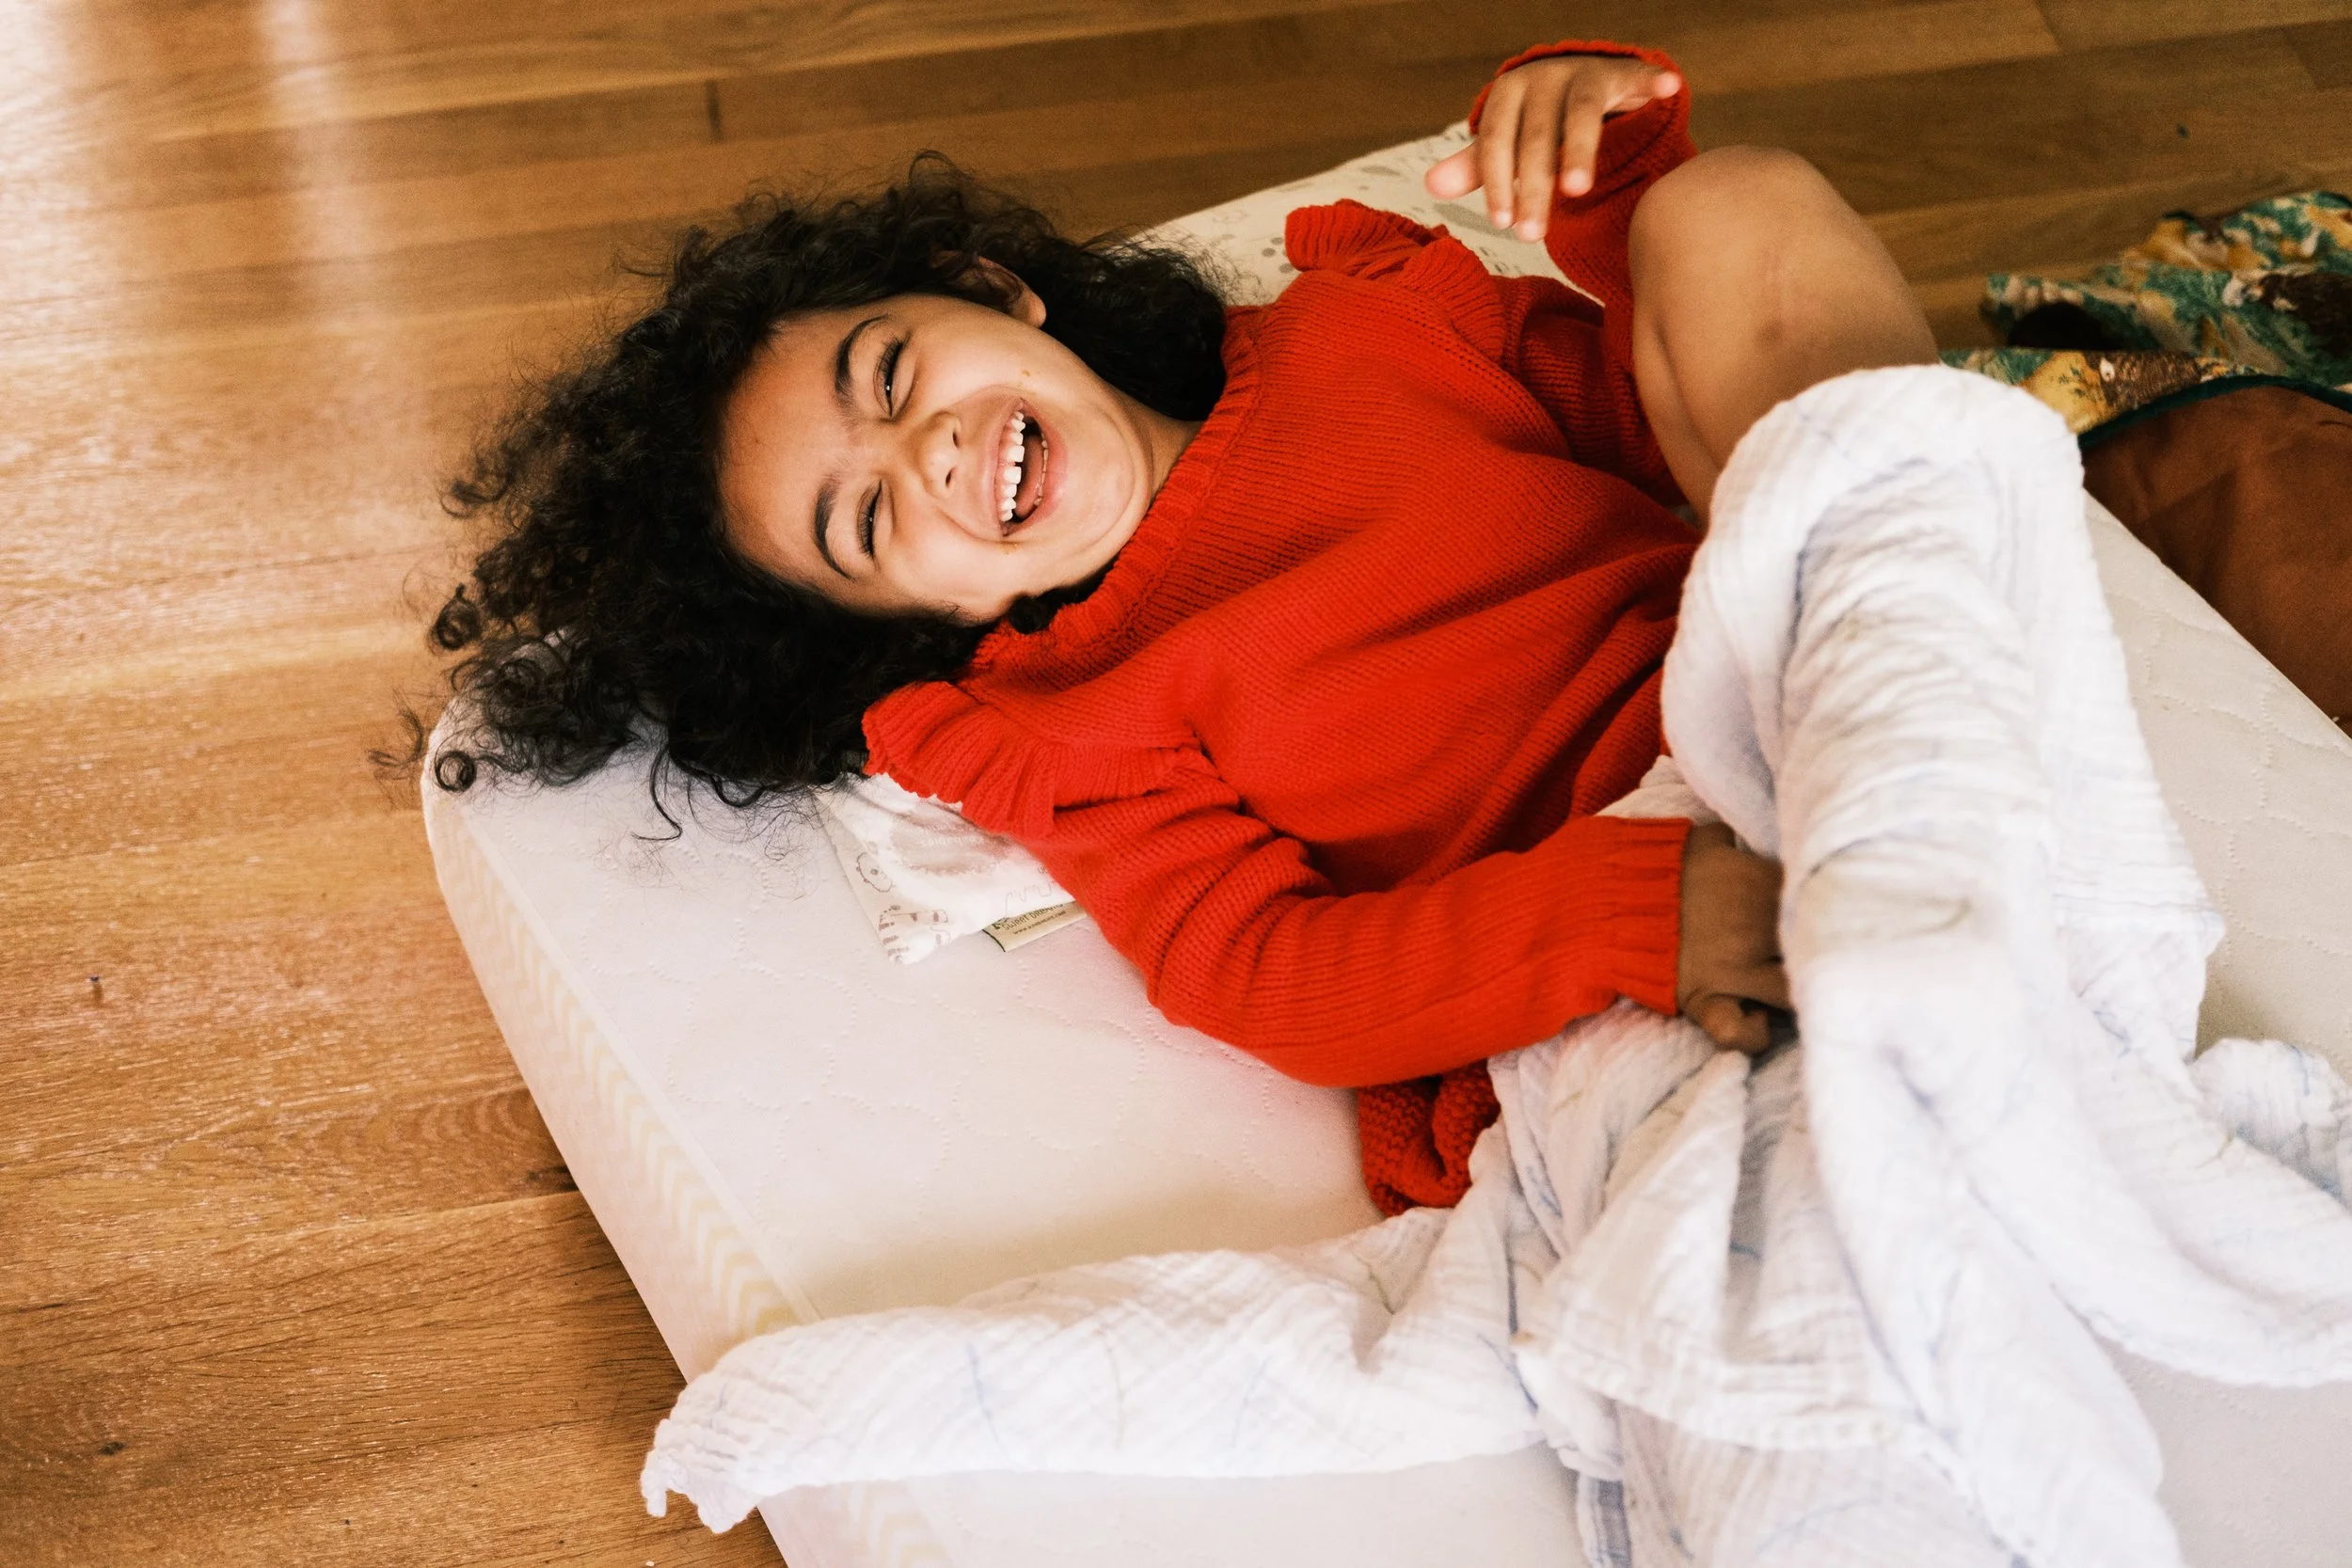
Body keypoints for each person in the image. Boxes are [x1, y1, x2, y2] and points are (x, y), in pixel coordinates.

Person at [414, 40, 1940, 1213]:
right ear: (923, 620)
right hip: (1644, 890)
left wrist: (1610, 191)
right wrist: (1620, 913)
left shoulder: (1375, 325)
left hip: (1817, 686)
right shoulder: (1071, 718)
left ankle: (1957, 649)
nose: (926, 456)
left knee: (1731, 200)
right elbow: (1266, 968)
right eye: (868, 523)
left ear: (987, 289)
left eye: (889, 377)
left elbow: (1691, 414)